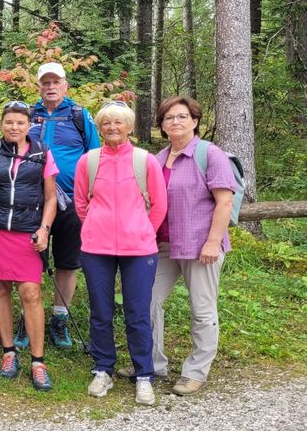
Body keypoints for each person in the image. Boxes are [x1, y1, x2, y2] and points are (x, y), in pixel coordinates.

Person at [133, 96, 233, 396]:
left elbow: (224, 201)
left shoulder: (209, 154)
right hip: (163, 244)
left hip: (200, 245)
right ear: (162, 125)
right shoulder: (158, 159)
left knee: (202, 309)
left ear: (195, 121)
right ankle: (152, 364)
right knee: (147, 300)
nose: (175, 122)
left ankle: (195, 372)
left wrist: (213, 242)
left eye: (182, 116)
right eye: (169, 118)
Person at [74, 101, 168, 405]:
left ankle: (144, 375)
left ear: (129, 127)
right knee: (100, 312)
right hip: (96, 249)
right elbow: (80, 203)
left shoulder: (145, 160)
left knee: (137, 313)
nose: (112, 127)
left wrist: (142, 231)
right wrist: (95, 227)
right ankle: (103, 369)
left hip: (139, 249)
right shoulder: (88, 161)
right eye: (106, 123)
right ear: (99, 128)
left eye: (118, 122)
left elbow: (160, 205)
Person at [0, 101, 58, 392]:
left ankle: (38, 361)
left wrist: (44, 229)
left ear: (29, 125)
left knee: (31, 292)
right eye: (9, 122)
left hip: (28, 232)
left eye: (20, 122)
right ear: (1, 124)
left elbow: (50, 197)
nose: (14, 127)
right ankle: (8, 352)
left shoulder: (42, 153)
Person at [26, 62, 100, 349]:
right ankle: (28, 317)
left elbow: (95, 157)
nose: (51, 87)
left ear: (65, 85)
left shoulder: (80, 116)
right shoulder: (28, 115)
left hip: (72, 199)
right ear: (38, 87)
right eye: (45, 82)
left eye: (55, 82)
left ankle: (59, 319)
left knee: (67, 262)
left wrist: (92, 196)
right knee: (30, 261)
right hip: (33, 200)